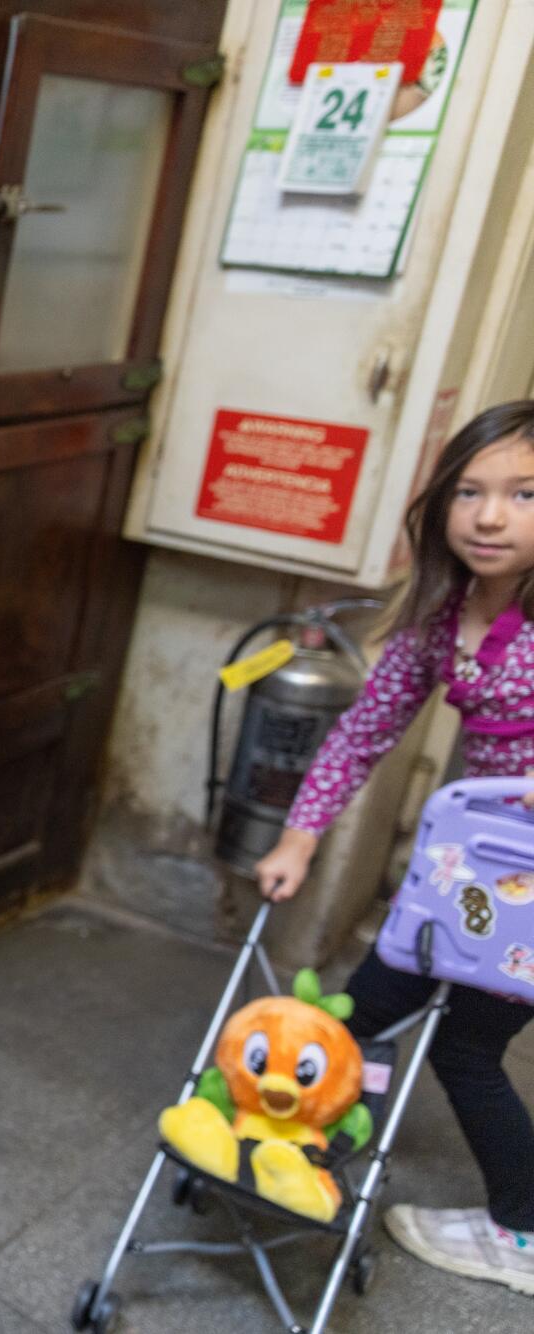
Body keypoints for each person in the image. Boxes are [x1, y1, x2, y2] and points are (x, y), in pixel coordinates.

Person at [255, 401, 534, 1298]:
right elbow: (362, 732)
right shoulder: (443, 612)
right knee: (358, 1014)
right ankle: (296, 1137)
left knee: (463, 1051)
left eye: (525, 495)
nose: (490, 516)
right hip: (467, 880)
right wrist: (299, 839)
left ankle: (524, 1230)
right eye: (470, 492)